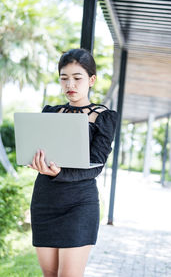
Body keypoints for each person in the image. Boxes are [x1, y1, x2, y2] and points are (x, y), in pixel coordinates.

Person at [28, 48, 118, 277]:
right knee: (50, 275)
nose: (71, 84)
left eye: (77, 78)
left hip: (79, 204)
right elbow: (39, 150)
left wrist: (59, 173)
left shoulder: (103, 116)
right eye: (64, 78)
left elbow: (96, 165)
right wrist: (35, 161)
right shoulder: (49, 112)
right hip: (45, 201)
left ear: (92, 79)